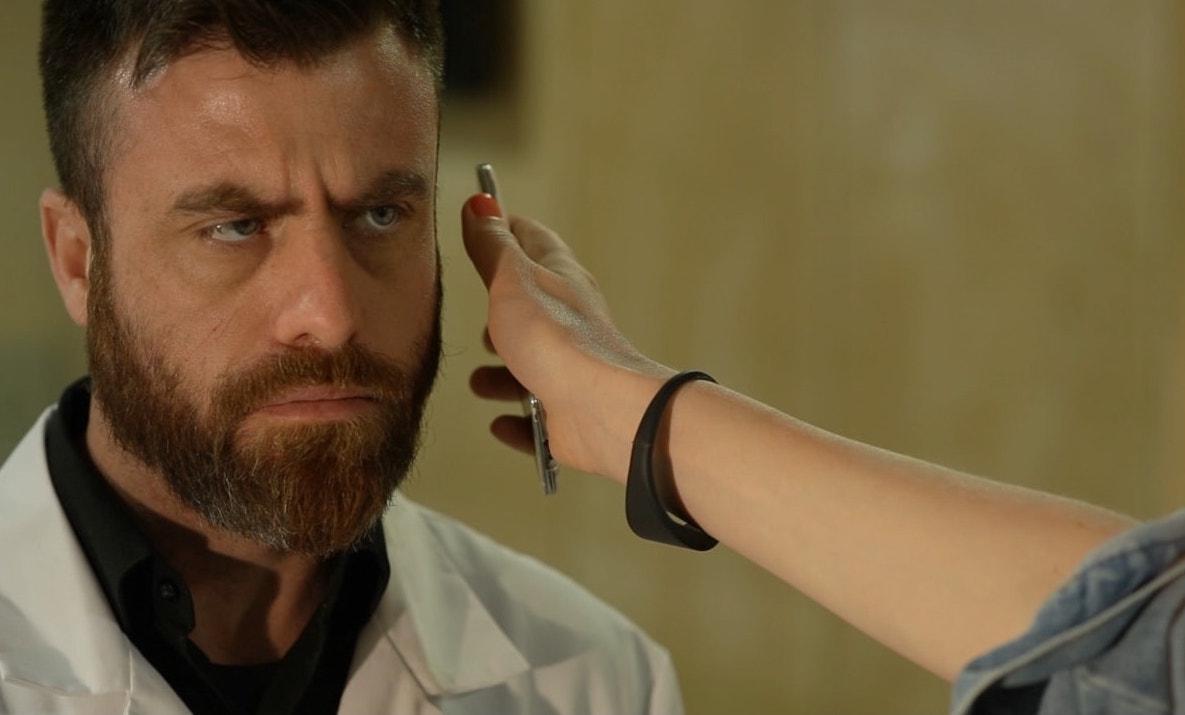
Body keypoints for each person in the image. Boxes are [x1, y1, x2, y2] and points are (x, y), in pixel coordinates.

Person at [0, 2, 683, 714]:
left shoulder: (597, 681)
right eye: (236, 226)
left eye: (380, 215)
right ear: (77, 260)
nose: (331, 319)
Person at [461, 195, 1185, 714]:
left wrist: (621, 407)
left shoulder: (605, 674)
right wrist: (618, 409)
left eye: (400, 212)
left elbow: (1129, 654)